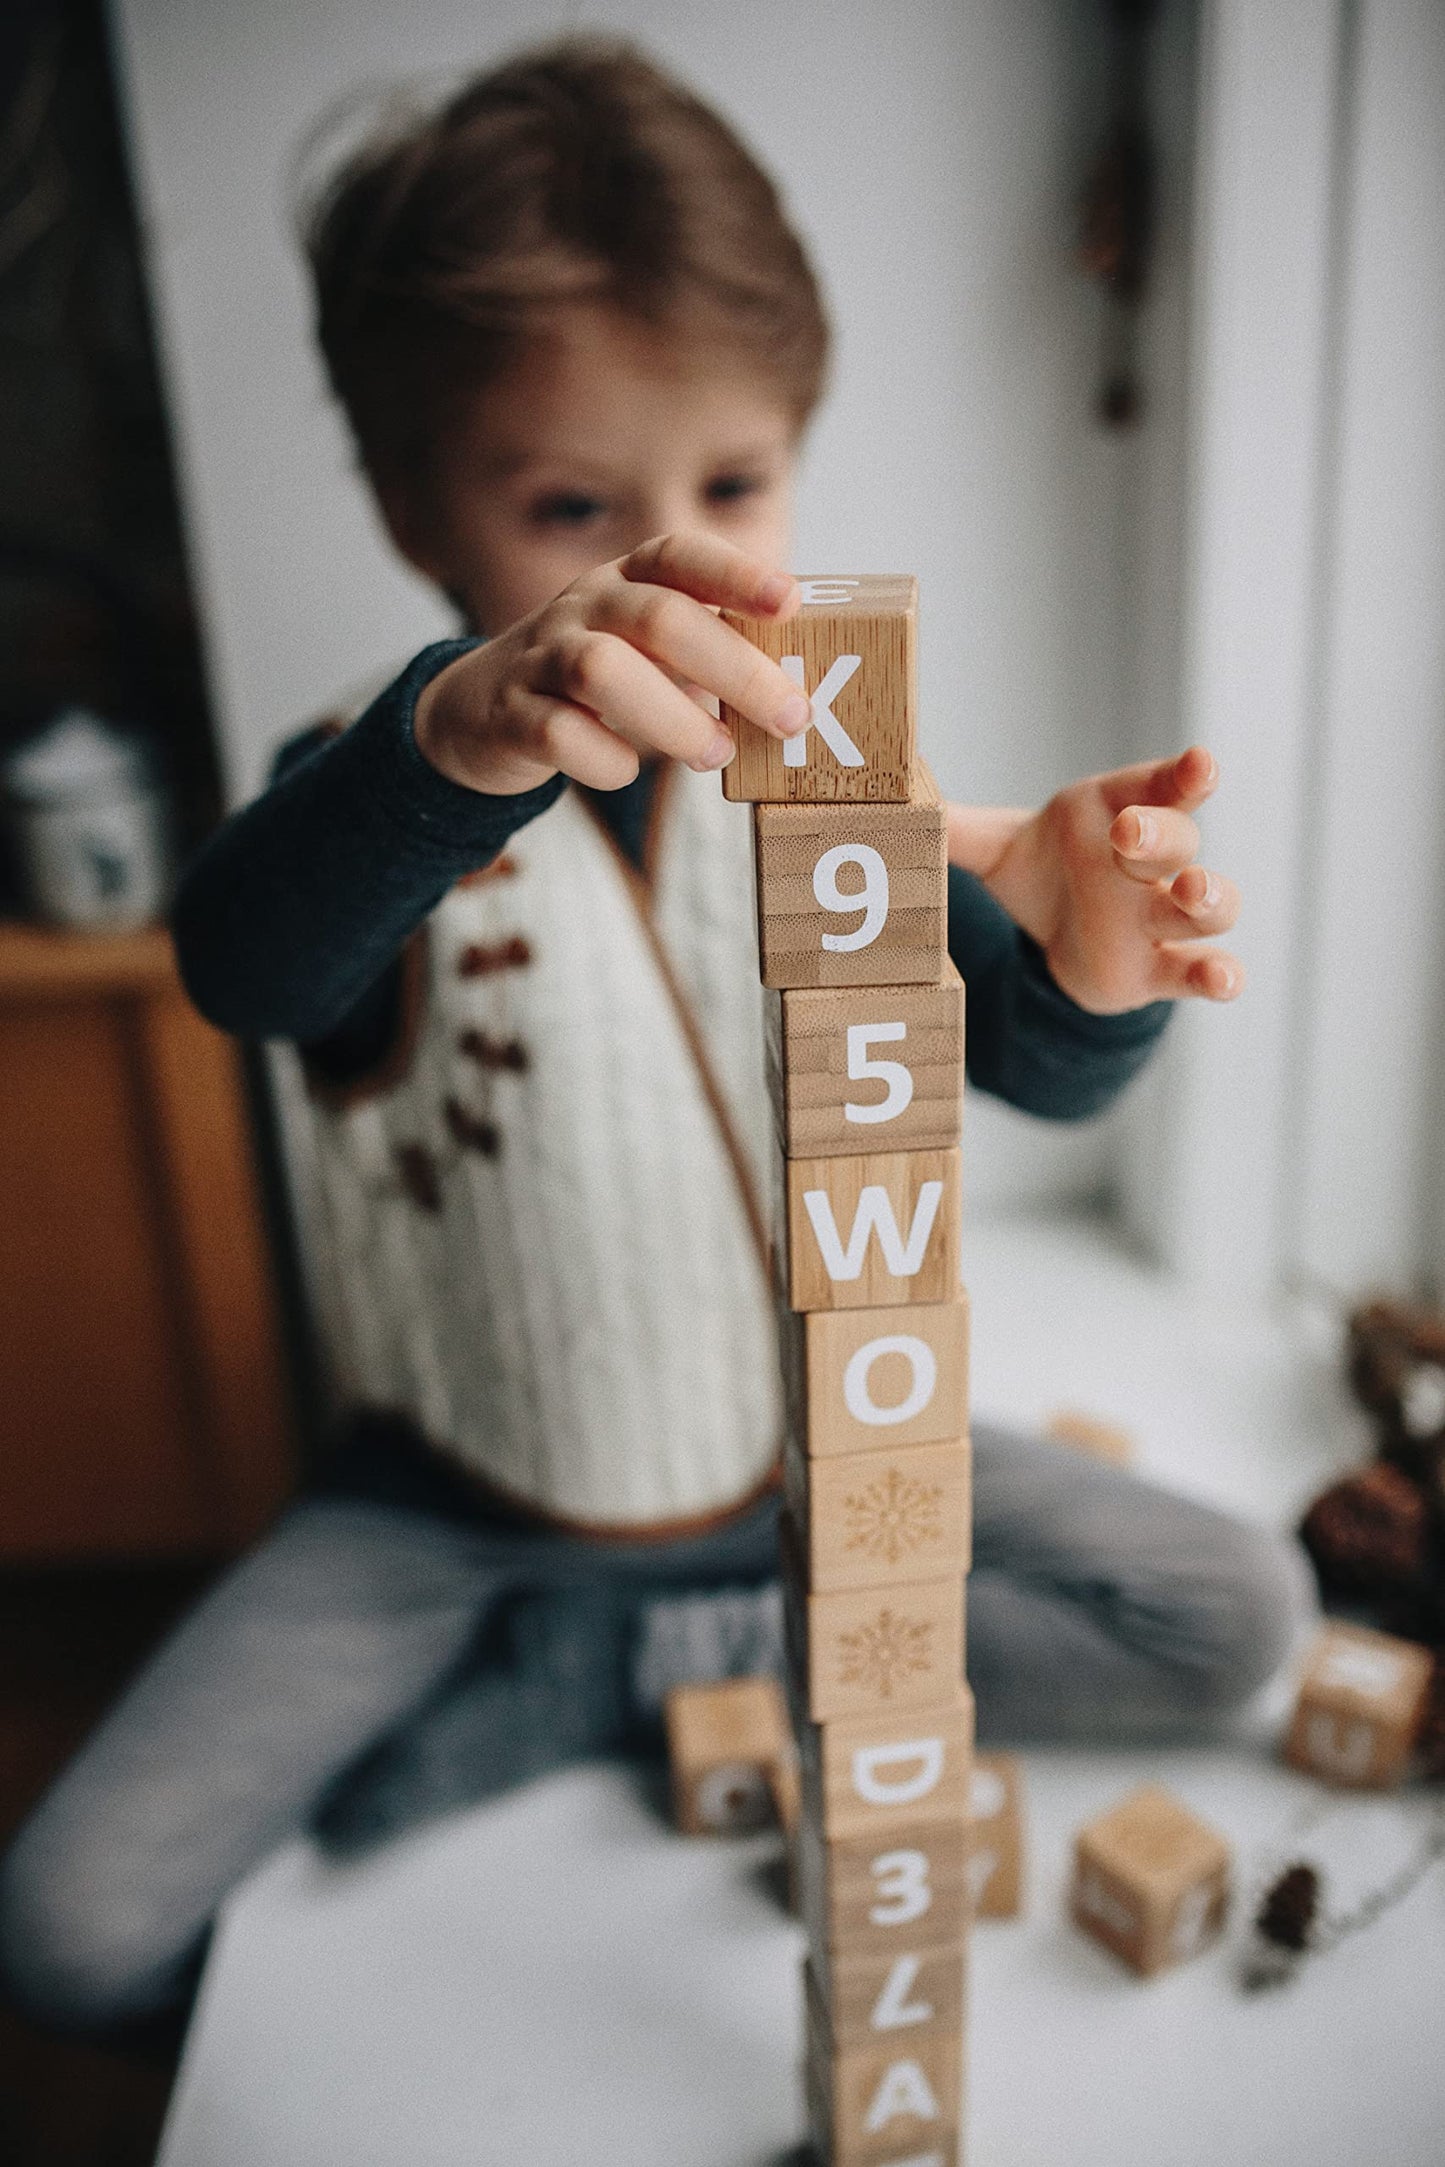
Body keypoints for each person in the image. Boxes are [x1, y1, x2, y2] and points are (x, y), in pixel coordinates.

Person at [0, 36, 1309, 2043]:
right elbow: (248, 969)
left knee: (1240, 1617)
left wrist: (1101, 962)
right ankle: (606, 1646)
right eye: (568, 505)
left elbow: (1036, 1062)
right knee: (66, 1927)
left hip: (810, 1461)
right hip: (453, 1507)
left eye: (732, 483)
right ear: (413, 504)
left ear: (797, 447)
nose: (660, 562)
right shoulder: (366, 783)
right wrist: (452, 736)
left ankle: (638, 1664)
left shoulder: (829, 765)